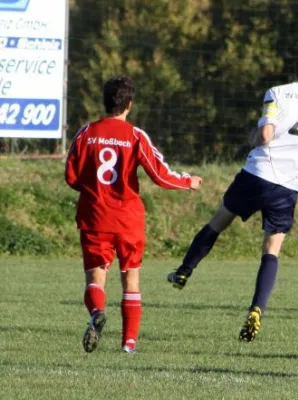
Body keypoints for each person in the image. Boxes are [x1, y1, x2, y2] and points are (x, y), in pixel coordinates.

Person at [166, 47, 298, 342]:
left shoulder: (277, 92)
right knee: (271, 249)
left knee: (219, 220)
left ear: (293, 67)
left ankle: (184, 271)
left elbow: (266, 134)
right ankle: (257, 308)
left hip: (258, 173)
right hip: (288, 184)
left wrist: (251, 138)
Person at [65, 76, 202, 354]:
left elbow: (71, 175)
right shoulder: (136, 135)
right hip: (128, 219)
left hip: (94, 217)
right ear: (129, 104)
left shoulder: (86, 132)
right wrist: (189, 181)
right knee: (131, 278)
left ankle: (97, 313)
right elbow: (160, 174)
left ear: (105, 102)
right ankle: (129, 344)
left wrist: (92, 189)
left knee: (95, 279)